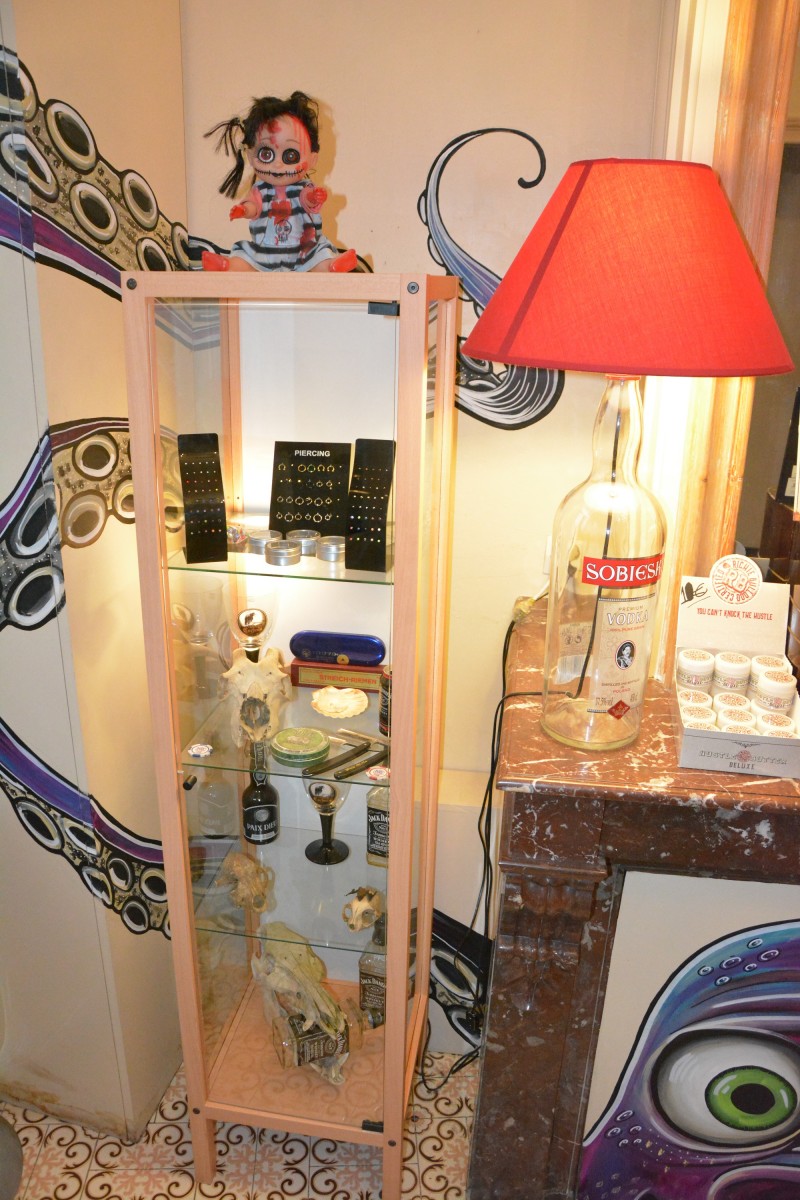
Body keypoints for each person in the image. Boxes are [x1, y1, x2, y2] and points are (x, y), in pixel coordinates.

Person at [202, 91, 356, 273]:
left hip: (304, 253)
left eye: (290, 155)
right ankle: (228, 266)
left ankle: (332, 266)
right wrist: (244, 210)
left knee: (321, 255)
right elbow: (254, 206)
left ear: (312, 159)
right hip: (264, 254)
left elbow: (307, 199)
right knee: (244, 256)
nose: (277, 164)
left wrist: (314, 197)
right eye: (266, 154)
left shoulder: (304, 188)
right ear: (250, 156)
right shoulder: (260, 190)